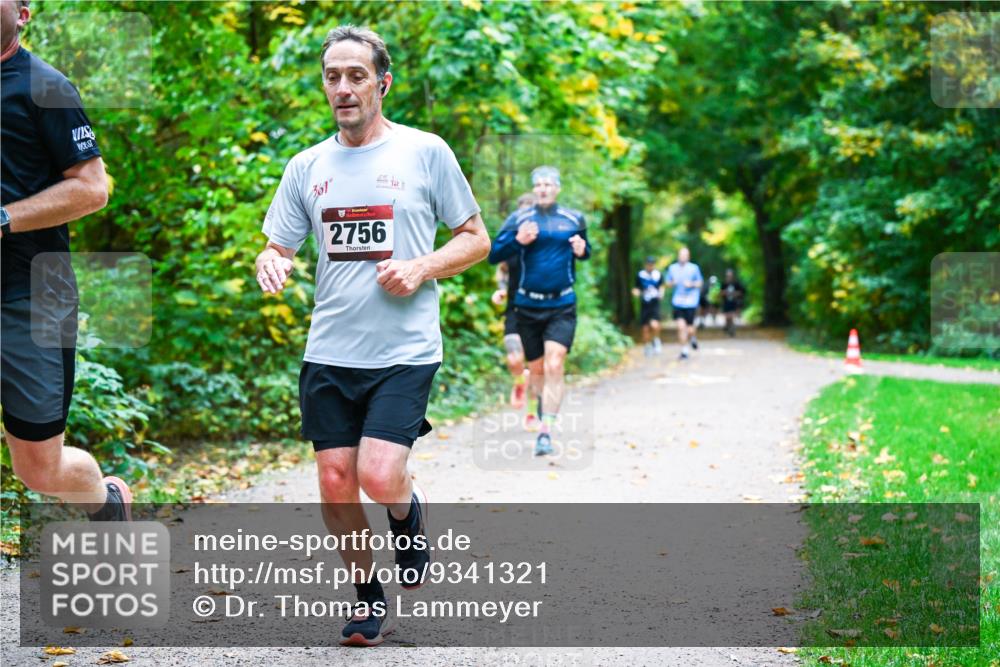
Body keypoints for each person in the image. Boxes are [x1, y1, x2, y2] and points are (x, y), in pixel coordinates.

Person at [254, 25, 489, 647]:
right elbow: (277, 244)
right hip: (330, 348)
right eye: (333, 77)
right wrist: (271, 261)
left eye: (356, 75)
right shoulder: (306, 166)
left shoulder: (424, 152)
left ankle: (407, 512)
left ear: (382, 83)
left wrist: (421, 266)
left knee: (380, 475)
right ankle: (366, 596)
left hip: (404, 351)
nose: (343, 87)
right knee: (335, 480)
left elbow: (475, 238)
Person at [1, 0, 131, 521]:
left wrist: (3, 218)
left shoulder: (46, 88)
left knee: (40, 470)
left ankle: (108, 502)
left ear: (24, 13)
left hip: (30, 296)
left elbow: (92, 189)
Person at [488, 166, 589, 456]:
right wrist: (517, 241)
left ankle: (546, 431)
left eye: (548, 184)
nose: (543, 189)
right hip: (528, 306)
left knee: (555, 363)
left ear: (558, 188)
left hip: (562, 304)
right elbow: (494, 254)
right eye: (539, 185)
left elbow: (585, 250)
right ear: (534, 189)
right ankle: (537, 407)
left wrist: (583, 250)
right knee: (537, 370)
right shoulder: (519, 219)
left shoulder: (573, 218)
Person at [490, 193, 535, 423]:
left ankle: (532, 412)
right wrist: (500, 290)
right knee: (515, 360)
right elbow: (502, 271)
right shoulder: (511, 245)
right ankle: (519, 381)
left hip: (541, 309)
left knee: (537, 366)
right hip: (515, 308)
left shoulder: (544, 246)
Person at [665, 247, 703, 360]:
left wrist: (691, 284)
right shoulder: (672, 268)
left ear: (688, 256)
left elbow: (700, 283)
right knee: (681, 327)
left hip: (691, 302)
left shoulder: (694, 268)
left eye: (685, 255)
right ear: (678, 256)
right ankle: (684, 351)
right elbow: (667, 283)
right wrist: (672, 283)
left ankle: (692, 337)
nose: (683, 257)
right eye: (681, 255)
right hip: (678, 302)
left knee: (690, 328)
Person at [632, 256, 664, 356]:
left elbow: (662, 286)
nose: (650, 266)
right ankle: (647, 346)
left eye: (652, 264)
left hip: (654, 303)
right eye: (649, 264)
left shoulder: (658, 274)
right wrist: (636, 292)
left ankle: (656, 340)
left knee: (655, 324)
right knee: (645, 328)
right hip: (644, 303)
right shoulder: (640, 275)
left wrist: (661, 293)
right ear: (645, 264)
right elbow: (636, 288)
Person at [720, 268, 745, 337]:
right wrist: (725, 293)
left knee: (732, 316)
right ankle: (728, 327)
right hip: (726, 302)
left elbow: (741, 292)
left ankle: (732, 329)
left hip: (734, 302)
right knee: (727, 317)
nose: (729, 277)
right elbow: (720, 293)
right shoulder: (724, 283)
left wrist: (734, 293)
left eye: (730, 276)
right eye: (728, 276)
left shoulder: (736, 284)